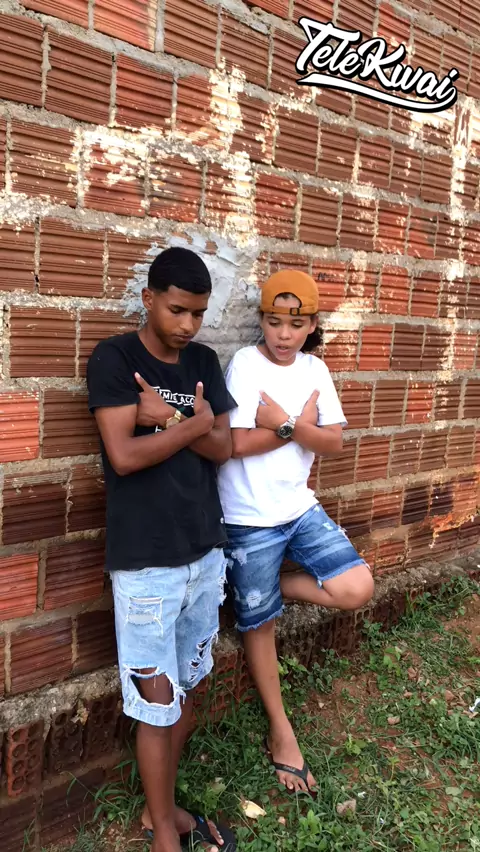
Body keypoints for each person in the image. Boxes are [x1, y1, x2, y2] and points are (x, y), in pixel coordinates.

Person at [87, 247, 237, 852]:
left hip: (204, 553)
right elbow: (124, 456)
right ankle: (164, 842)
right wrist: (195, 423)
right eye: (177, 310)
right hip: (147, 563)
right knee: (155, 706)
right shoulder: (115, 358)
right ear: (149, 299)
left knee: (186, 694)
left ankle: (163, 812)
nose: (188, 325)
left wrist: (171, 422)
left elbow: (223, 446)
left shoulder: (202, 360)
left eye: (198, 313)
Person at [218, 269, 374, 795]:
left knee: (357, 587)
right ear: (262, 320)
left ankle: (265, 590)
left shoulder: (315, 368)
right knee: (258, 627)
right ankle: (281, 731)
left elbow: (334, 443)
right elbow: (236, 444)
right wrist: (301, 427)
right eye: (273, 321)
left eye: (296, 324)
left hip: (299, 508)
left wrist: (283, 423)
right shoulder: (246, 363)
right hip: (248, 516)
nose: (283, 335)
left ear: (311, 325)